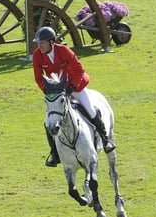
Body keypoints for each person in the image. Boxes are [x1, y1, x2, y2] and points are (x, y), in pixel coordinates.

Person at [32, 26, 116, 167]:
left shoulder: (63, 50)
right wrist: (48, 90)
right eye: (38, 42)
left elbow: (79, 69)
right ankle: (54, 153)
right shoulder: (37, 55)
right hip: (56, 91)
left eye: (42, 42)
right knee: (48, 121)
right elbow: (38, 78)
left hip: (75, 86)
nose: (39, 45)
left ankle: (105, 140)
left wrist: (72, 87)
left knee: (90, 109)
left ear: (51, 42)